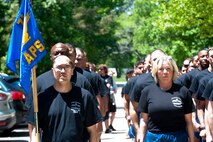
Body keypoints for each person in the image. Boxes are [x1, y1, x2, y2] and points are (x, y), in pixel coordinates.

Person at [27, 55, 102, 142]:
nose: (63, 71)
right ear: (53, 71)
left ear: (72, 71)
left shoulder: (84, 96)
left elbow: (92, 131)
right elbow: (35, 131)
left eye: (67, 67)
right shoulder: (41, 98)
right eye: (59, 67)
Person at [138, 55, 195, 142]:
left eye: (168, 69)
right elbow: (144, 120)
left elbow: (189, 121)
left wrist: (192, 139)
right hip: (154, 138)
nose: (165, 72)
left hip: (178, 137)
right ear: (156, 71)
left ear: (173, 71)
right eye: (161, 69)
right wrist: (141, 138)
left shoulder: (183, 91)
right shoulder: (147, 91)